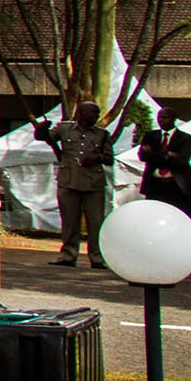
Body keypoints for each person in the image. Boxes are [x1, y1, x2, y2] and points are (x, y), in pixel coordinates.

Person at [35, 100, 118, 267]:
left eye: (97, 113)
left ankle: (97, 258)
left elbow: (110, 159)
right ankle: (68, 255)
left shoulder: (101, 134)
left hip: (93, 184)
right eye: (92, 113)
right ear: (81, 113)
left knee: (95, 222)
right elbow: (45, 138)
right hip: (69, 181)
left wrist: (98, 157)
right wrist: (41, 129)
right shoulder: (64, 128)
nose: (96, 116)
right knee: (70, 222)